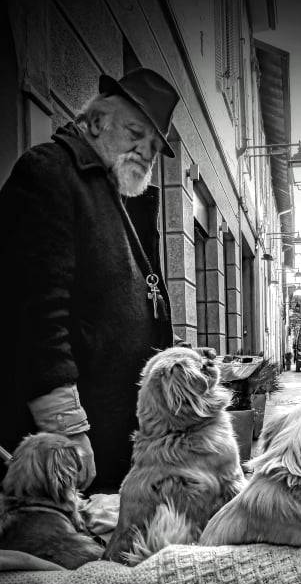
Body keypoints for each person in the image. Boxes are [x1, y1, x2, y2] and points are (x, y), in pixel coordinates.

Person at [0, 67, 185, 491]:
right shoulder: (49, 172)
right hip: (66, 449)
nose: (145, 150)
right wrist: (66, 426)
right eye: (136, 132)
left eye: (154, 147)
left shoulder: (109, 189)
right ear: (98, 121)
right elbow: (36, 310)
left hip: (109, 437)